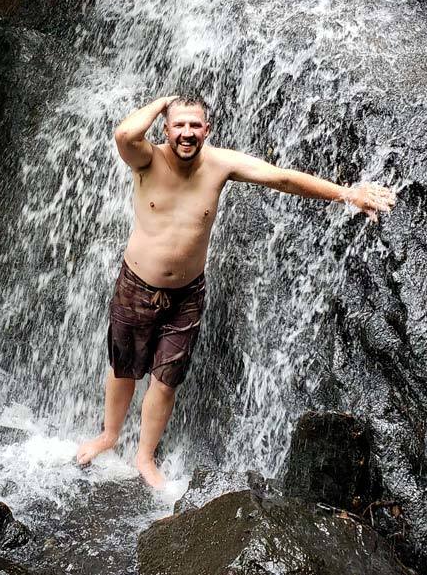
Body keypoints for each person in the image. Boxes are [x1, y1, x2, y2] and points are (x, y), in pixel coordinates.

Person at [75, 95, 396, 488]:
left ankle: (144, 456)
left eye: (195, 126)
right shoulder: (146, 159)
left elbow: (280, 177)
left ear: (207, 130)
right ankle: (108, 436)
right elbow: (124, 133)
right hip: (137, 285)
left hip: (187, 294)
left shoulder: (221, 164)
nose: (187, 133)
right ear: (165, 129)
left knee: (166, 378)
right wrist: (164, 103)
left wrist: (348, 195)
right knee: (124, 367)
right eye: (179, 125)